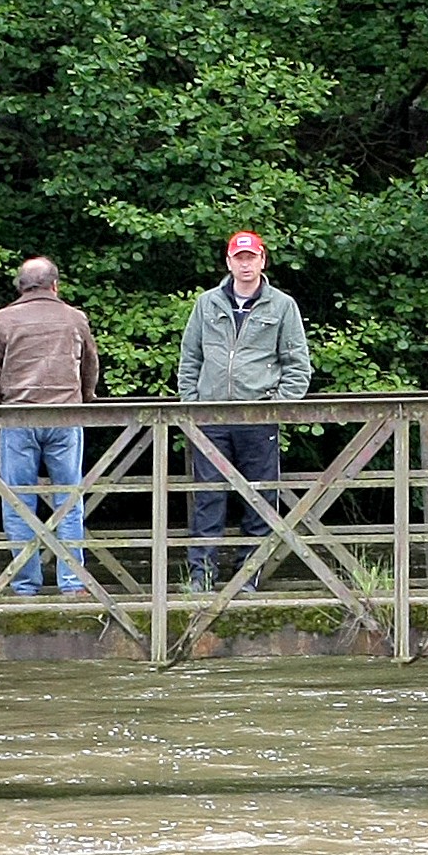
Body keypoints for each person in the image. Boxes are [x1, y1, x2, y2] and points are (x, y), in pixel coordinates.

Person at [176, 230, 313, 589]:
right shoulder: (206, 304)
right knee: (207, 497)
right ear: (228, 262)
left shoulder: (283, 305)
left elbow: (298, 366)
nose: (246, 264)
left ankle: (248, 578)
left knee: (260, 498)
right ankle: (201, 577)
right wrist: (192, 405)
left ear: (263, 260)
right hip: (211, 417)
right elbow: (190, 358)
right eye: (239, 258)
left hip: (258, 418)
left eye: (251, 257)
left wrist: (276, 406)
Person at [0, 257, 103, 597]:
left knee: (18, 504)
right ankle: (72, 583)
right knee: (69, 502)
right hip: (65, 417)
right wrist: (85, 397)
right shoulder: (75, 318)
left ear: (20, 286)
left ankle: (25, 585)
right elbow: (90, 365)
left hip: (18, 418)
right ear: (55, 285)